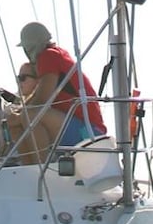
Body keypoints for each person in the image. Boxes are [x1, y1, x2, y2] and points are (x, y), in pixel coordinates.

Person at [6, 21, 107, 165]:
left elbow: (42, 99)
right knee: (18, 121)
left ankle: (42, 167)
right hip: (80, 127)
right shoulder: (57, 54)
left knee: (31, 114)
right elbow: (38, 96)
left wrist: (21, 114)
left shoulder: (48, 56)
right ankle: (30, 169)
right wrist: (17, 114)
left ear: (30, 47)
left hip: (88, 132)